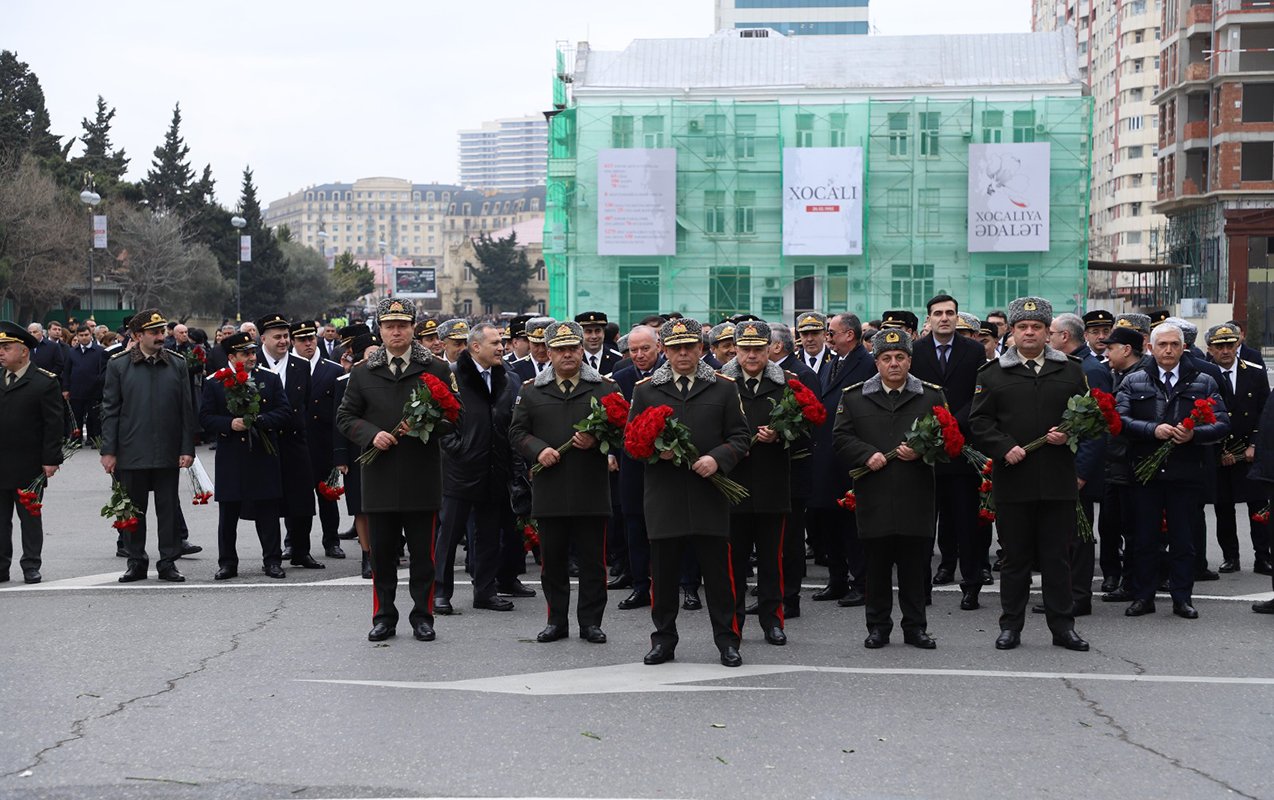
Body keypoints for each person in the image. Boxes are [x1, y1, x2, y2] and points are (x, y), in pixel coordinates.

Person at [969, 297, 1091, 652]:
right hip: (1014, 479)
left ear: (1048, 332)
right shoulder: (992, 374)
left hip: (1057, 479)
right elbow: (978, 422)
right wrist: (1003, 445)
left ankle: (1062, 627)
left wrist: (1070, 432)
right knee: (1015, 559)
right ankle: (1011, 626)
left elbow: (1088, 415)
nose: (1029, 332)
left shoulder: (1070, 369)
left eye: (1037, 327)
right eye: (1022, 326)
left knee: (1057, 558)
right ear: (1012, 330)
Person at [629, 317, 751, 668]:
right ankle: (663, 640)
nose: (683, 353)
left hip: (709, 495)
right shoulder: (646, 390)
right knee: (664, 577)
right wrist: (656, 450)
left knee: (718, 577)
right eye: (676, 347)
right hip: (665, 496)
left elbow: (741, 437)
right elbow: (630, 442)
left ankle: (728, 641)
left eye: (690, 346)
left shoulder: (724, 388)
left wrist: (718, 459)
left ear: (702, 349)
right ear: (665, 351)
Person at [337, 298, 460, 642]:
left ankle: (423, 617)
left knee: (423, 556)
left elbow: (454, 417)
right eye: (389, 326)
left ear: (413, 330)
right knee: (382, 556)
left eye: (403, 325)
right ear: (380, 330)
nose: (396, 331)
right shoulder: (363, 372)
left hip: (420, 477)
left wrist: (425, 427)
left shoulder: (435, 369)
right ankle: (384, 616)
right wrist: (370, 435)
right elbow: (345, 417)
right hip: (379, 479)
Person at [834, 329, 946, 649]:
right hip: (875, 494)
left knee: (914, 568)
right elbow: (841, 437)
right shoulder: (855, 396)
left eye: (900, 357)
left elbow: (949, 441)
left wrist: (923, 451)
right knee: (877, 568)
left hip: (916, 494)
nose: (894, 364)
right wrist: (865, 454)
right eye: (886, 358)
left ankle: (915, 627)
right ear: (877, 361)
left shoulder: (931, 395)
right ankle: (878, 627)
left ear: (910, 360)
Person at [509, 321, 619, 643]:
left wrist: (597, 438)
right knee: (553, 562)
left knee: (593, 564)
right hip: (551, 489)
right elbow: (516, 433)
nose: (567, 355)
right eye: (560, 349)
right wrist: (538, 450)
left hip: (590, 489)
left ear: (581, 350)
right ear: (548, 353)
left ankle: (591, 622)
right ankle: (556, 621)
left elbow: (621, 431)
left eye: (572, 348)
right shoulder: (532, 390)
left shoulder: (604, 389)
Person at [1116, 322, 1229, 620]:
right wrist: (1152, 430)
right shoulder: (1134, 380)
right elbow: (1119, 421)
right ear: (1151, 348)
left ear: (1183, 348)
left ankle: (1182, 598)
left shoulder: (1203, 381)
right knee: (1144, 540)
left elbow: (1221, 423)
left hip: (1186, 473)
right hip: (1145, 473)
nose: (1168, 350)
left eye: (1174, 345)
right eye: (1162, 345)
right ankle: (1143, 596)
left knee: (1183, 540)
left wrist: (1195, 434)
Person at [100, 309, 196, 583]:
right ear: (137, 335)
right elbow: (110, 410)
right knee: (134, 510)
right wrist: (109, 450)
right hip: (132, 449)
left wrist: (186, 448)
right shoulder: (118, 365)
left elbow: (185, 409)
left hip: (167, 449)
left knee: (168, 509)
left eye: (162, 331)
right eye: (154, 332)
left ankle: (168, 562)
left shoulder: (177, 364)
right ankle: (136, 561)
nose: (160, 336)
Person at [436, 322, 523, 613]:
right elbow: (439, 419)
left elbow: (512, 421)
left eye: (502, 342)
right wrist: (457, 447)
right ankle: (440, 593)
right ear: (475, 347)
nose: (502, 347)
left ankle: (485, 592)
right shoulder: (452, 377)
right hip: (461, 469)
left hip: (495, 469)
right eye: (495, 343)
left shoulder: (507, 379)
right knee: (449, 536)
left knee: (488, 536)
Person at [908, 294, 988, 603]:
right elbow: (913, 393)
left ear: (957, 317)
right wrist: (931, 428)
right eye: (938, 313)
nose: (944, 318)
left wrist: (954, 423)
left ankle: (970, 587)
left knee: (966, 523)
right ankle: (922, 588)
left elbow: (980, 393)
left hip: (962, 448)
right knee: (925, 525)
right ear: (928, 318)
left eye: (950, 313)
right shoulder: (916, 351)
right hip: (925, 451)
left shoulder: (974, 351)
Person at [721, 321, 793, 646]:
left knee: (771, 561)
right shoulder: (721, 384)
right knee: (733, 562)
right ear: (735, 349)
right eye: (746, 348)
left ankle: (772, 621)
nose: (752, 355)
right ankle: (733, 621)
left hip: (771, 484)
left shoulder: (787, 385)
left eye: (758, 349)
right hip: (731, 486)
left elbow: (806, 432)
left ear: (770, 350)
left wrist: (782, 434)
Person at [201, 333, 292, 579]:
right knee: (228, 513)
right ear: (231, 357)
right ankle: (228, 563)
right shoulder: (215, 382)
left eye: (253, 352)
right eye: (245, 354)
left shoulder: (269, 379)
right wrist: (230, 424)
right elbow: (206, 418)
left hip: (263, 454)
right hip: (232, 456)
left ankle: (272, 560)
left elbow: (284, 411)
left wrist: (261, 420)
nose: (252, 357)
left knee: (268, 510)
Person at [808, 313, 875, 606]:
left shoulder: (868, 364)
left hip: (851, 457)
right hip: (827, 457)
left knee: (853, 528)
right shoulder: (832, 362)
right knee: (830, 524)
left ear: (849, 334)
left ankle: (861, 583)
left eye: (832, 332)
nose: (828, 337)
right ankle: (837, 580)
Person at [255, 313, 320, 570]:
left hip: (294, 442)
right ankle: (271, 556)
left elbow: (305, 404)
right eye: (277, 337)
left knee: (302, 500)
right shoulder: (252, 362)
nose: (283, 342)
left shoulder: (300, 365)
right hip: (264, 442)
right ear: (263, 339)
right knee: (268, 502)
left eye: (285, 337)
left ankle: (301, 550)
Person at [0, 322, 63, 584]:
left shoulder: (43, 382)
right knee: (1, 522)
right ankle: (1, 566)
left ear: (24, 351)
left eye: (6, 348)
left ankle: (31, 565)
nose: (1, 353)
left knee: (30, 518)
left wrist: (50, 459)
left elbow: (53, 424)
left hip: (29, 464)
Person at [1206, 323, 1271, 574]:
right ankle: (1230, 556)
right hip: (1221, 452)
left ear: (1237, 346)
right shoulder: (1206, 376)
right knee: (1224, 508)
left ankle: (1262, 556)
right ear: (1210, 349)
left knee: (1258, 505)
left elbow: (1265, 413)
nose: (1225, 351)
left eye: (1230, 345)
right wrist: (1221, 451)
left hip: (1249, 451)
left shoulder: (1254, 372)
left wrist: (1254, 444)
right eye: (1219, 346)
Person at [611, 324, 665, 611]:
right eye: (634, 350)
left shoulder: (669, 375)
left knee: (669, 526)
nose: (640, 355)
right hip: (631, 462)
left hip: (666, 462)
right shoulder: (620, 377)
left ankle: (685, 585)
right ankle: (640, 586)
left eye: (645, 349)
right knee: (634, 524)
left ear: (659, 347)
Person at [767, 322, 820, 618]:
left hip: (793, 467)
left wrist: (780, 432)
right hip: (770, 469)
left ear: (776, 346)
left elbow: (810, 421)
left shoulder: (801, 375)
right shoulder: (771, 374)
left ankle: (790, 597)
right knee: (770, 539)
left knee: (789, 540)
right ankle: (773, 593)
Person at [291, 320, 347, 560]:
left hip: (323, 443)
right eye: (302, 340)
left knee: (328, 497)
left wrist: (338, 450)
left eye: (311, 338)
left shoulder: (332, 369)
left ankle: (331, 540)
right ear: (293, 341)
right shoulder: (288, 368)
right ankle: (293, 542)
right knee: (296, 499)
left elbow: (339, 414)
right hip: (297, 444)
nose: (308, 344)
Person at [333, 332, 381, 578]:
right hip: (355, 452)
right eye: (370, 354)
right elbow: (339, 422)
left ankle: (386, 551)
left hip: (385, 449)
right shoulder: (345, 381)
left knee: (384, 505)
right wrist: (340, 457)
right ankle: (367, 555)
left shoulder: (390, 378)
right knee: (361, 507)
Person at [67, 323, 107, 443]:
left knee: (95, 417)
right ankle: (76, 440)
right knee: (76, 417)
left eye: (86, 335)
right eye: (81, 335)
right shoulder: (71, 352)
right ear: (77, 336)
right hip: (76, 390)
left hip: (94, 390)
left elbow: (103, 370)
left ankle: (95, 439)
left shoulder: (100, 351)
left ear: (91, 335)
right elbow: (67, 371)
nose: (84, 337)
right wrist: (65, 389)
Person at [796, 313, 836, 382]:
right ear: (800, 336)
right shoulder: (793, 359)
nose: (810, 339)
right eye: (805, 334)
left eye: (815, 333)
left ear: (825, 335)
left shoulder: (835, 359)